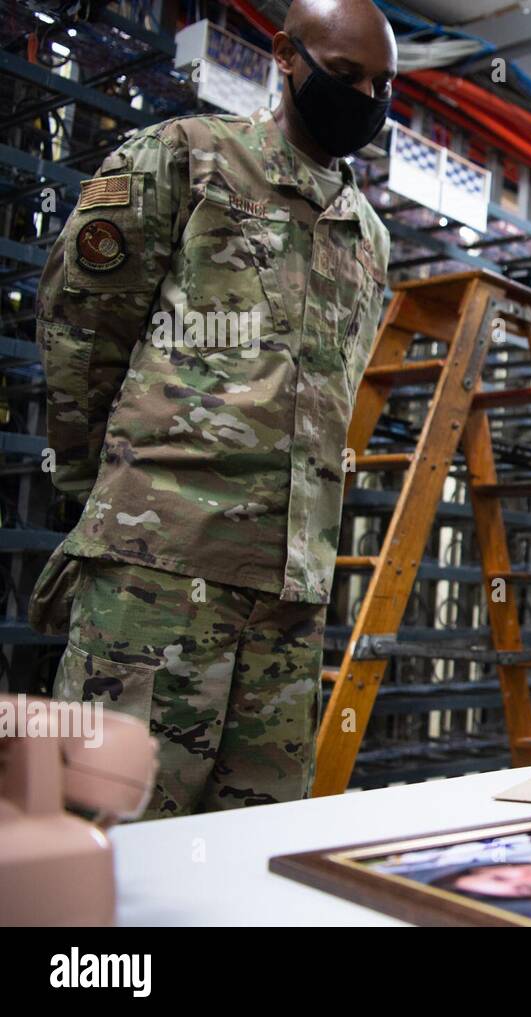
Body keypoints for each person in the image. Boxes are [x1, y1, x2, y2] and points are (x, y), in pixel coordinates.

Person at [27, 0, 396, 818]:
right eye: (345, 77)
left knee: (247, 849)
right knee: (107, 836)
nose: (367, 97)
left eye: (382, 85)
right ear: (284, 55)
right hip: (157, 578)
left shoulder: (368, 237)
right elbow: (82, 325)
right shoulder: (186, 162)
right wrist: (113, 493)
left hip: (289, 602)